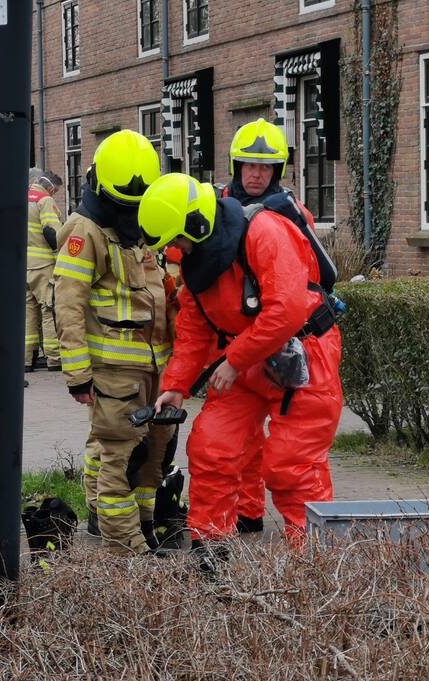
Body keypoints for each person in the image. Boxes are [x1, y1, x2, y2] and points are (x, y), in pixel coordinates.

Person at [140, 119, 343, 563]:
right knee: (211, 447)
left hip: (305, 357)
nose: (175, 249)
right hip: (249, 358)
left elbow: (287, 310)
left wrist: (233, 359)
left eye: (176, 240)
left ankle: (318, 566)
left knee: (291, 466)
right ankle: (210, 550)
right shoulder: (199, 255)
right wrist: (176, 384)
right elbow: (195, 323)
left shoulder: (265, 231)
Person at [53, 129, 175, 555]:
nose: (133, 214)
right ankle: (126, 546)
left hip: (154, 365)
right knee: (118, 456)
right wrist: (78, 375)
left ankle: (140, 523)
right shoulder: (83, 230)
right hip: (113, 370)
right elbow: (67, 303)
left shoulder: (140, 221)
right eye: (125, 205)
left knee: (153, 451)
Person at [25, 168, 64, 372]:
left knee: (28, 311)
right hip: (42, 265)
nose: (54, 195)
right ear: (49, 187)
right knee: (48, 309)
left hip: (23, 264)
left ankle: (26, 359)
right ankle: (54, 358)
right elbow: (51, 231)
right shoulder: (45, 200)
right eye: (55, 191)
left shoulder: (23, 197)